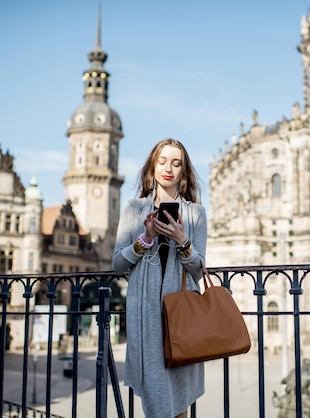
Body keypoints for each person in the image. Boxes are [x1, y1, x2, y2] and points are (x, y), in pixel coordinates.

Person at [112, 138, 207, 418]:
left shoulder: (196, 214)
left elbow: (199, 270)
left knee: (179, 401)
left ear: (184, 173)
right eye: (162, 161)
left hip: (182, 317)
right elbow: (118, 264)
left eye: (176, 163)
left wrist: (182, 239)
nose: (168, 168)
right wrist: (146, 238)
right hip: (147, 317)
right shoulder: (133, 209)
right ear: (152, 167)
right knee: (156, 398)